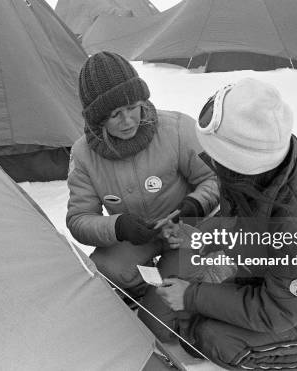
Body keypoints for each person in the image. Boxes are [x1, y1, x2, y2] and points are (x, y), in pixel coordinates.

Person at [155, 78, 297, 370]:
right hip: (275, 282)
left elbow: (277, 311)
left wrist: (190, 295)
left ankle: (296, 361)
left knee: (209, 338)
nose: (212, 164)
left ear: (236, 160)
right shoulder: (263, 172)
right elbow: (245, 223)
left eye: (217, 157)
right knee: (197, 319)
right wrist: (201, 237)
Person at [66, 51, 220, 306]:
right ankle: (140, 293)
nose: (128, 121)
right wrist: (118, 226)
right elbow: (79, 219)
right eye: (115, 114)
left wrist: (194, 206)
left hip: (184, 230)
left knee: (172, 288)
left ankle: (172, 292)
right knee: (108, 269)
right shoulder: (83, 155)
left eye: (132, 108)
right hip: (135, 239)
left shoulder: (177, 129)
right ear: (97, 118)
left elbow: (216, 179)